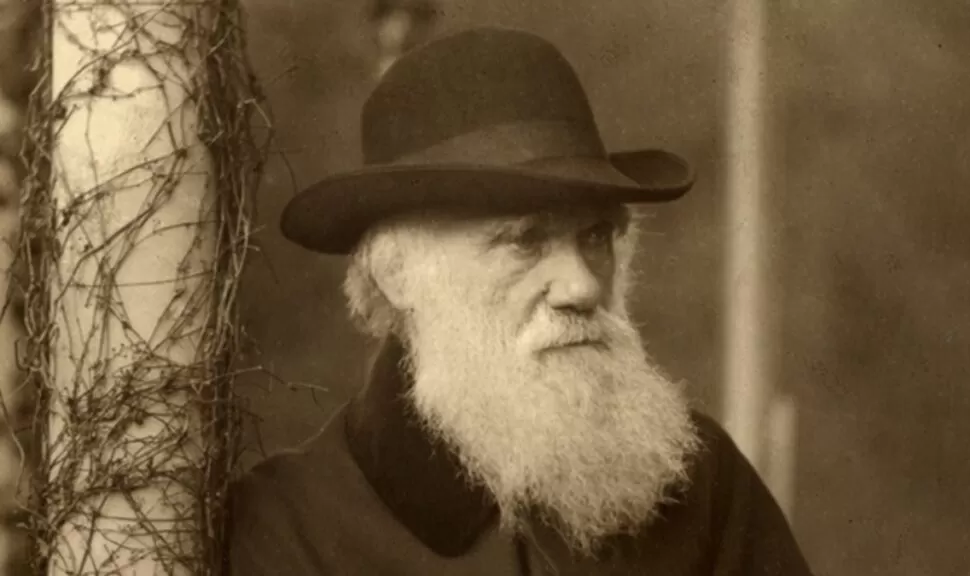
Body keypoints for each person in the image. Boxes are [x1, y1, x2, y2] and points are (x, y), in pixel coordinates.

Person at [226, 26, 814, 575]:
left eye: (596, 237)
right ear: (397, 274)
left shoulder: (699, 482)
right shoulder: (288, 531)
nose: (583, 286)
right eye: (525, 241)